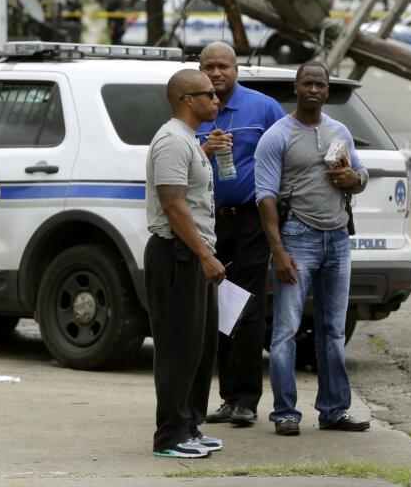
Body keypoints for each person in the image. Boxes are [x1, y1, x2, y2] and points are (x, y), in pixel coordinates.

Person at [254, 61, 371, 437]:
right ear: (296, 88)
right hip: (297, 237)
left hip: (337, 238)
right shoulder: (277, 135)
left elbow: (361, 174)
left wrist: (354, 178)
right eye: (308, 83)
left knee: (333, 330)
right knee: (286, 330)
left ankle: (334, 410)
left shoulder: (340, 131)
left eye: (321, 84)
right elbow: (265, 197)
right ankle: (285, 412)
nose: (315, 90)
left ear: (326, 89)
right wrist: (278, 250)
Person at [197, 42, 286, 428]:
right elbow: (176, 155)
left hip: (251, 220)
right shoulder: (194, 107)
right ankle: (227, 397)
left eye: (223, 66)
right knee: (217, 308)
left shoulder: (263, 108)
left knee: (246, 306)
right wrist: (205, 146)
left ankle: (247, 400)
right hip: (208, 221)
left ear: (237, 69)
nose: (216, 73)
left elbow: (289, 152)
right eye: (208, 67)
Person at [144, 68, 227, 459]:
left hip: (192, 254)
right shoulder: (172, 141)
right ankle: (169, 436)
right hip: (178, 255)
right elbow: (173, 204)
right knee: (178, 347)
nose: (217, 100)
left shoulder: (190, 141)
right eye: (209, 94)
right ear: (187, 100)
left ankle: (190, 426)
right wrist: (205, 255)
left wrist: (205, 152)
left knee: (200, 345)